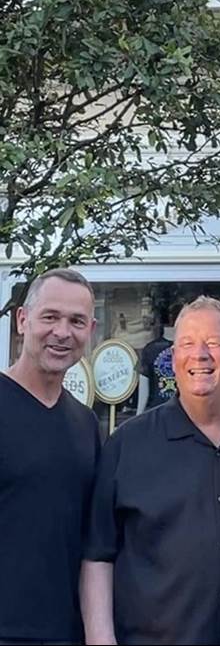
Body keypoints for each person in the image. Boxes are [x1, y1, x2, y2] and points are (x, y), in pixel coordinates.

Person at [81, 296, 220, 646]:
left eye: (215, 343)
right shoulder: (129, 445)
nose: (200, 355)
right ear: (174, 357)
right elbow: (98, 554)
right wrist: (101, 639)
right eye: (187, 344)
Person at [0, 268, 99, 645]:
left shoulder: (85, 424)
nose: (62, 332)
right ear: (22, 320)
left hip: (66, 632)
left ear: (90, 331)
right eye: (50, 317)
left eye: (76, 321)